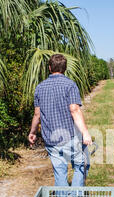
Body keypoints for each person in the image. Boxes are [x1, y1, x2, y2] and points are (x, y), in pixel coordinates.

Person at [28, 54, 92, 189]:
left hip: (51, 138)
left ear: (50, 68)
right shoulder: (70, 84)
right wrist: (85, 133)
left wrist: (32, 132)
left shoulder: (40, 87)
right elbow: (74, 110)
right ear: (65, 68)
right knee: (81, 164)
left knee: (60, 172)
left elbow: (37, 114)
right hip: (70, 136)